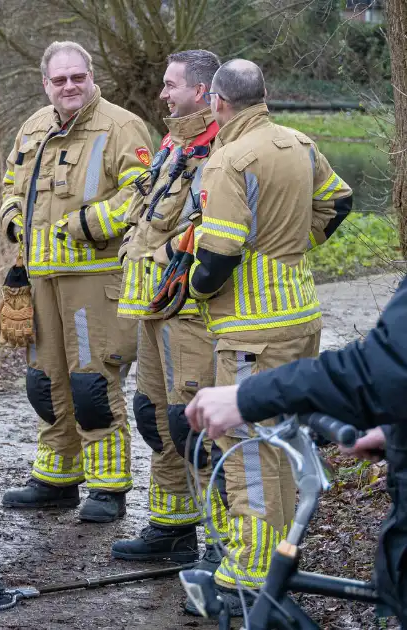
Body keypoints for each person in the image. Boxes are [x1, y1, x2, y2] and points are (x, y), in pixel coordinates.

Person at [178, 58, 352, 613]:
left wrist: (195, 291)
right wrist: (295, 246)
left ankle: (251, 567)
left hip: (252, 327)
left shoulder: (228, 159)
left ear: (217, 103)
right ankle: (280, 552)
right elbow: (339, 200)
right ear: (264, 94)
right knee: (282, 438)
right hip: (301, 314)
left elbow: (221, 252)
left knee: (249, 443)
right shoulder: (298, 141)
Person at [183, 274, 407, 620]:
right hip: (279, 318)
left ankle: (248, 570)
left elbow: (379, 369)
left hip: (251, 329)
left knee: (250, 460)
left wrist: (250, 396)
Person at [0, 41, 152, 523]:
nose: (69, 86)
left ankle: (108, 487)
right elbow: (11, 182)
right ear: (46, 84)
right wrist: (11, 219)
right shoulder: (33, 127)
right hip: (41, 278)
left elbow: (145, 191)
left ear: (91, 76)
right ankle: (56, 479)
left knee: (91, 384)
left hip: (95, 277)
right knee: (44, 383)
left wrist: (91, 223)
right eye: (59, 79)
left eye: (77, 77)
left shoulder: (122, 125)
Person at [111, 50, 230, 569]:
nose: (162, 94)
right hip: (152, 308)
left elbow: (221, 228)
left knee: (194, 423)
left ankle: (223, 546)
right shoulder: (174, 141)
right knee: (154, 416)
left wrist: (182, 263)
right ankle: (172, 526)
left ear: (202, 91)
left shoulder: (222, 147)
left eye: (170, 85)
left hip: (190, 312)